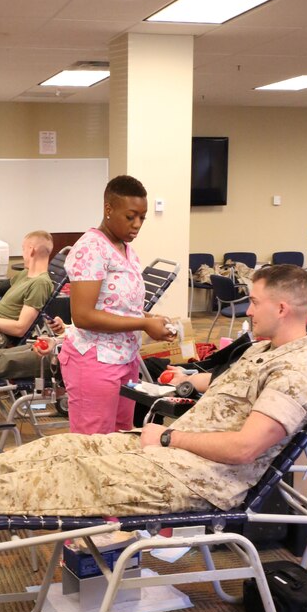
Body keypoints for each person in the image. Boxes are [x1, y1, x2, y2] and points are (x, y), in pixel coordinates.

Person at [0, 264, 307, 519]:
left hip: (198, 479)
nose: (247, 310)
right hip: (167, 454)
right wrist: (194, 379)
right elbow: (235, 389)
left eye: (254, 302)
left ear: (283, 307)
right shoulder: (264, 351)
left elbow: (246, 447)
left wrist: (169, 437)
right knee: (63, 446)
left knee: (73, 478)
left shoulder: (297, 373)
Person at [59, 175, 174, 435]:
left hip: (125, 359)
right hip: (95, 360)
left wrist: (149, 317)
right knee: (95, 446)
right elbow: (84, 316)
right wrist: (144, 323)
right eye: (130, 216)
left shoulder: (124, 247)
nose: (137, 225)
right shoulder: (91, 249)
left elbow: (116, 305)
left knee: (122, 437)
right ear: (108, 209)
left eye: (142, 218)